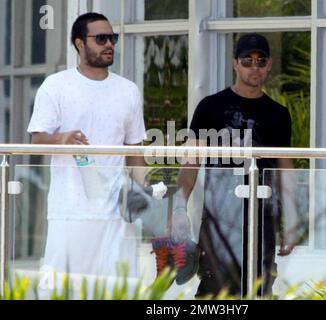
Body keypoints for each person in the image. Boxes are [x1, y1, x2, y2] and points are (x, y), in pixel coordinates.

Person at [26, 13, 157, 289]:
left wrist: (152, 188)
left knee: (118, 290)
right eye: (100, 38)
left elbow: (134, 154)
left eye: (112, 38)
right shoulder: (56, 85)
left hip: (118, 214)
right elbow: (37, 140)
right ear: (79, 44)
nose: (109, 44)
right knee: (62, 290)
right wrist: (63, 138)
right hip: (70, 211)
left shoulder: (128, 90)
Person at [173, 33, 298, 297]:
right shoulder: (210, 107)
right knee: (213, 292)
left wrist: (292, 224)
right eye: (247, 60)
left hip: (262, 216)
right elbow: (191, 163)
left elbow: (285, 170)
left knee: (257, 289)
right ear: (235, 63)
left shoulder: (278, 114)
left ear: (269, 65)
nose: (255, 67)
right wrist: (177, 209)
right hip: (218, 217)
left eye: (260, 61)